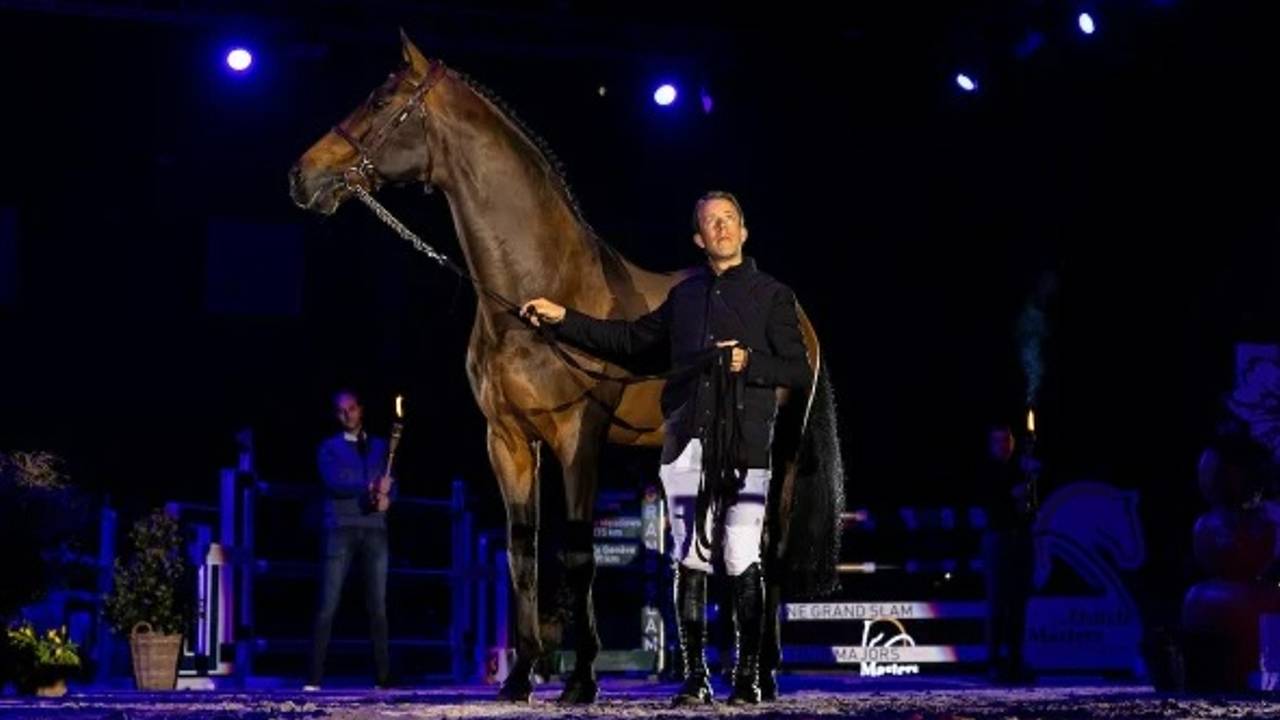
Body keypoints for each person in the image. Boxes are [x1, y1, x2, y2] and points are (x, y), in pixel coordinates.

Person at [521, 191, 812, 704]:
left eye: (728, 220)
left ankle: (747, 674)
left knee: (742, 554)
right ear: (699, 239)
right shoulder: (684, 298)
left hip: (745, 450)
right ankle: (695, 676)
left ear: (743, 231)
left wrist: (750, 363)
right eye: (710, 223)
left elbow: (797, 369)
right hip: (686, 447)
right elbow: (629, 341)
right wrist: (562, 317)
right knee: (690, 558)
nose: (720, 228)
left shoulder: (773, 297)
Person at [305, 389, 394, 690]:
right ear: (336, 415)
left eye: (352, 408)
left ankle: (383, 678)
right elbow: (333, 481)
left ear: (361, 410)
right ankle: (315, 677)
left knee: (377, 606)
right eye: (342, 410)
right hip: (340, 528)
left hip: (375, 530)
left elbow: (391, 484)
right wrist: (369, 487)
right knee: (328, 604)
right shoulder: (327, 448)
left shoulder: (380, 446)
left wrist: (388, 498)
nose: (348, 414)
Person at [978, 423, 1037, 685]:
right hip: (997, 539)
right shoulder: (988, 472)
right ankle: (993, 661)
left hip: (1020, 539)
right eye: (998, 441)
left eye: (1007, 440)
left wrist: (1029, 486)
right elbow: (992, 501)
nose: (1003, 445)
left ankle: (1015, 658)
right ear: (991, 445)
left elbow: (1030, 504)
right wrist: (1012, 493)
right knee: (998, 602)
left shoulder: (1021, 469)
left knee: (1018, 602)